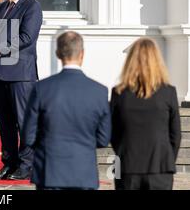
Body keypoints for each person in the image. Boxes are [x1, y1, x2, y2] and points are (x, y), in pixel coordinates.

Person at [23, 31, 111, 190]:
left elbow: (28, 136)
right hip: (84, 173)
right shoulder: (99, 91)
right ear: (82, 54)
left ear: (58, 54)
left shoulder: (41, 88)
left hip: (49, 171)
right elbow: (103, 139)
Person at [0, 0, 42, 180]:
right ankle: (9, 163)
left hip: (21, 75)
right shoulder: (2, 8)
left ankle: (26, 165)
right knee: (5, 122)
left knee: (24, 122)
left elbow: (27, 38)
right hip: (0, 73)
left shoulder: (32, 7)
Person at [110, 38, 181, 190]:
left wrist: (123, 152)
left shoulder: (119, 93)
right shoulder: (168, 92)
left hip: (127, 165)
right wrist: (167, 159)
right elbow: (175, 135)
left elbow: (113, 132)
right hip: (160, 167)